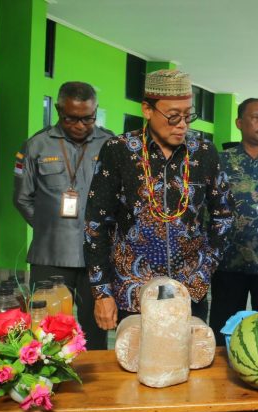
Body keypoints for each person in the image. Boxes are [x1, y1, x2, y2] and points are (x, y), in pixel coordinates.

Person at [83, 69, 233, 329]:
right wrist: (101, 291)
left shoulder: (205, 153)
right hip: (133, 290)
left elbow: (225, 214)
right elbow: (96, 223)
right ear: (147, 109)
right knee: (137, 362)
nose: (182, 125)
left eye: (188, 115)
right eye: (173, 116)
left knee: (189, 360)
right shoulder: (119, 151)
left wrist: (205, 266)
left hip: (189, 290)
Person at [13, 82, 113, 350]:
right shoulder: (36, 145)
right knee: (46, 330)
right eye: (71, 118)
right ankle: (49, 385)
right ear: (58, 109)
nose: (80, 125)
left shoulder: (110, 144)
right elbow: (23, 198)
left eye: (88, 118)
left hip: (97, 256)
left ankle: (93, 389)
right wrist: (49, 227)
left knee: (96, 331)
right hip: (50, 255)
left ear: (95, 112)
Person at [210, 98, 258, 344]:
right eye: (256, 117)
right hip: (228, 261)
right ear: (239, 122)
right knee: (222, 327)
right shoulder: (220, 161)